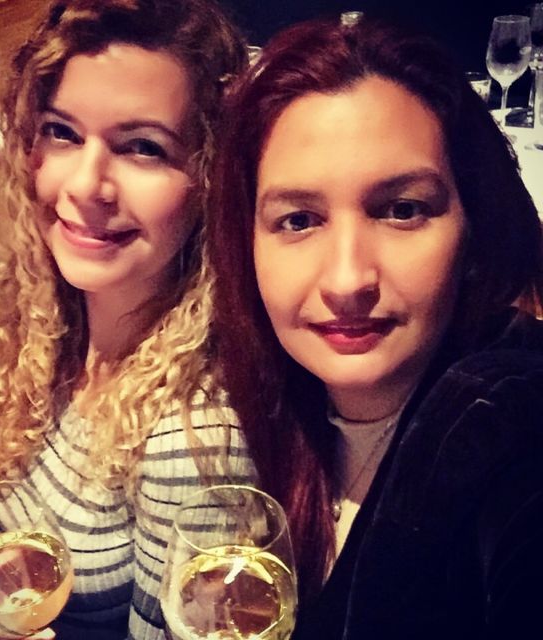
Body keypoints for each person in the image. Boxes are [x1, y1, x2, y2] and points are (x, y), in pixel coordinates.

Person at [208, 13, 543, 640]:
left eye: (402, 210)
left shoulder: (501, 419)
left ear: (473, 227)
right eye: (299, 220)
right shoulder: (265, 407)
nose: (347, 280)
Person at [0, 1, 256, 639]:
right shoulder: (43, 321)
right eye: (62, 132)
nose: (87, 185)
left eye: (143, 147)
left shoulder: (191, 440)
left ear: (210, 179)